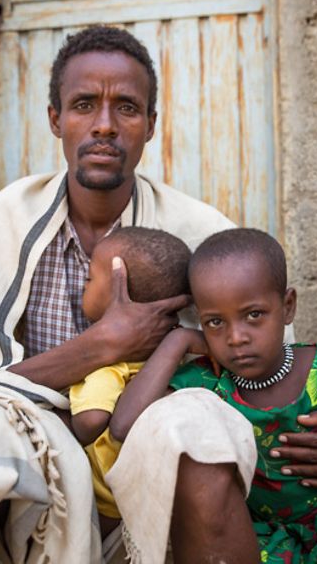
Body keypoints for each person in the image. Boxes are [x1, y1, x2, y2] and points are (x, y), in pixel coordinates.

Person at [0, 25, 317, 564]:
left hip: (144, 452)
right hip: (33, 435)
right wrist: (105, 345)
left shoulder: (198, 230)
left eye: (127, 108)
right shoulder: (8, 217)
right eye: (83, 105)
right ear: (56, 119)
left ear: (151, 125)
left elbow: (267, 366)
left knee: (192, 422)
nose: (104, 125)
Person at [111, 229, 317, 563]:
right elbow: (124, 425)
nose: (236, 338)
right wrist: (179, 341)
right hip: (258, 531)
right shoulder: (204, 385)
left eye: (254, 315)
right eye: (215, 322)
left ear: (287, 307)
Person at [69, 227, 192, 538]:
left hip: (103, 500)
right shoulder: (172, 362)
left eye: (91, 279)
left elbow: (90, 422)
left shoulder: (109, 369)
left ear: (117, 294)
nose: (84, 283)